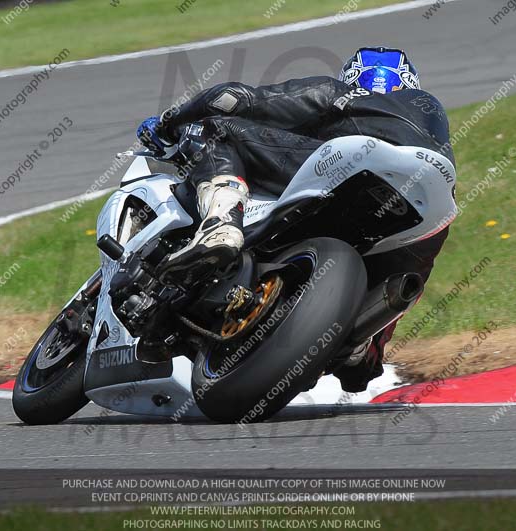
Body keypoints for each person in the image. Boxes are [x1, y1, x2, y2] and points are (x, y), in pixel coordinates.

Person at [137, 47, 455, 391]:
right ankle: (364, 336)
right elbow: (412, 275)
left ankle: (222, 225)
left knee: (217, 129)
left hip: (356, 164)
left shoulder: (342, 95)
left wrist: (170, 123)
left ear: (353, 79)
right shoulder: (432, 126)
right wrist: (366, 355)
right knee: (406, 269)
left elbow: (232, 99)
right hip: (433, 197)